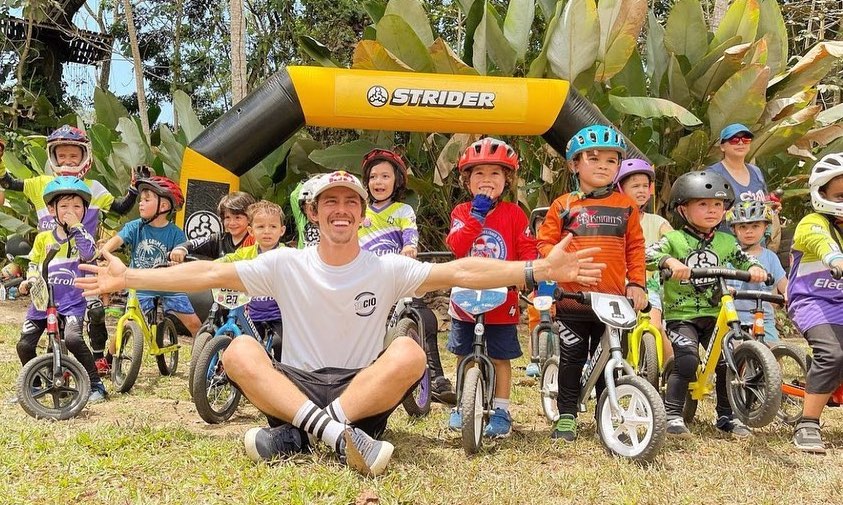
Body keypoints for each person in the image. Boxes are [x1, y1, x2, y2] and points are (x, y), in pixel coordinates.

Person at [76, 169, 605, 477]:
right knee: (235, 351)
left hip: (361, 391)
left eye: (351, 201)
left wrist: (534, 268)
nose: (342, 209)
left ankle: (299, 435)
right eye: (330, 201)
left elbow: (460, 268)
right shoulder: (284, 263)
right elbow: (212, 269)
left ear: (360, 213)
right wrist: (129, 279)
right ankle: (333, 434)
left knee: (412, 353)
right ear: (314, 214)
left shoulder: (386, 266)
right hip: (299, 382)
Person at [536, 125, 647, 442]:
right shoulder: (564, 205)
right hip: (573, 300)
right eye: (593, 158)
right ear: (574, 164)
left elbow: (636, 248)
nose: (602, 165)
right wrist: (557, 267)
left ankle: (606, 413)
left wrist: (637, 284)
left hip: (613, 301)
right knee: (572, 358)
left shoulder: (627, 206)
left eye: (611, 161)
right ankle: (567, 415)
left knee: (611, 359)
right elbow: (545, 246)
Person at [0, 125, 138, 369]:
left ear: (85, 157)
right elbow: (7, 182)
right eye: (61, 155)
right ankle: (49, 368)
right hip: (50, 265)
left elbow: (120, 208)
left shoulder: (94, 189)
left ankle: (98, 360)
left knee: (95, 312)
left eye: (73, 155)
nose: (67, 160)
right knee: (49, 317)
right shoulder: (39, 183)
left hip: (84, 262)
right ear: (52, 157)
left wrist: (134, 189)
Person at [646, 170, 767, 439]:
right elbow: (648, 255)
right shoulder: (675, 239)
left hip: (715, 312)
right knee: (687, 361)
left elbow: (744, 260)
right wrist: (669, 262)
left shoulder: (726, 241)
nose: (712, 210)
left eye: (718, 205)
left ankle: (727, 415)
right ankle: (673, 414)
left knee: (727, 361)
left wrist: (756, 268)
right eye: (702, 204)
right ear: (683, 209)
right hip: (683, 314)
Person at [445, 137, 538, 438]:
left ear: (507, 180)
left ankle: (501, 409)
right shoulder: (461, 212)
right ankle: (462, 403)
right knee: (462, 352)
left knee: (500, 356)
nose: (487, 180)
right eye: (479, 174)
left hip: (502, 296)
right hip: (465, 296)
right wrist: (476, 216)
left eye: (495, 174)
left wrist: (531, 274)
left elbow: (526, 249)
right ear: (467, 181)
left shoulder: (514, 213)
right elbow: (457, 246)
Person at [358, 148, 456, 403]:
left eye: (385, 176)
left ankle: (435, 378)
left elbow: (410, 237)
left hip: (398, 275)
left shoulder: (403, 211)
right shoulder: (360, 212)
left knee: (425, 318)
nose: (378, 182)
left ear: (397, 181)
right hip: (366, 277)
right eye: (373, 177)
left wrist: (409, 249)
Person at [16, 177, 108, 402]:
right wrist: (29, 280)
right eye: (64, 206)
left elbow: (88, 254)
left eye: (77, 206)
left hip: (72, 301)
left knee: (74, 339)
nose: (71, 211)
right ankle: (34, 386)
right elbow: (35, 265)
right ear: (51, 209)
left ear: (85, 210)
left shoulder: (83, 236)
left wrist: (77, 228)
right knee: (24, 344)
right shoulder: (42, 238)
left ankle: (96, 384)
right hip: (44, 301)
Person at [99, 175, 202, 366]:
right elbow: (112, 244)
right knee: (126, 322)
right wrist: (105, 253)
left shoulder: (176, 234)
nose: (141, 204)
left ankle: (202, 362)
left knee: (195, 325)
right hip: (142, 285)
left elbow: (181, 259)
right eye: (141, 200)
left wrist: (177, 264)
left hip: (168, 285)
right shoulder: (134, 227)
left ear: (163, 206)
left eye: (147, 200)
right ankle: (107, 360)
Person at [787, 153, 843, 454]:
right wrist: (835, 259)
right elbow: (823, 244)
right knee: (833, 354)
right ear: (822, 195)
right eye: (841, 195)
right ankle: (807, 423)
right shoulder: (812, 223)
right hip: (812, 300)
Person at [615, 158, 673, 360]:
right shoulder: (614, 221)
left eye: (645, 186)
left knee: (656, 326)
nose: (641, 190)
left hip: (650, 286)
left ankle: (672, 368)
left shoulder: (656, 222)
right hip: (617, 284)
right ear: (620, 189)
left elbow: (674, 241)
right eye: (635, 186)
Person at [216, 200, 285, 361]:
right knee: (244, 347)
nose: (267, 231)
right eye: (260, 227)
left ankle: (283, 376)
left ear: (282, 230)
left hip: (279, 316)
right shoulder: (245, 253)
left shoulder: (287, 254)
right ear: (251, 231)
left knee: (280, 345)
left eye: (273, 227)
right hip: (253, 314)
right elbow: (225, 261)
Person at [725, 201, 787, 342]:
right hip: (733, 318)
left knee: (773, 354)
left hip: (763, 318)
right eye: (743, 226)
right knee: (734, 356)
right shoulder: (728, 256)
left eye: (755, 226)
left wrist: (788, 293)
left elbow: (784, 284)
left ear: (766, 227)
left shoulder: (770, 257)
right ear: (734, 229)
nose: (749, 231)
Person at [170, 191, 256, 262]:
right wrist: (181, 249)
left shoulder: (255, 240)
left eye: (238, 218)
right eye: (227, 217)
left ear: (249, 218)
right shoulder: (218, 239)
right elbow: (194, 243)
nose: (232, 223)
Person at [290, 174, 323, 248]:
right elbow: (294, 196)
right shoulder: (302, 220)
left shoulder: (330, 224)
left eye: (317, 207)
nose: (314, 211)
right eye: (311, 207)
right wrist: (305, 183)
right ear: (304, 209)